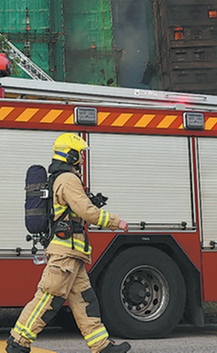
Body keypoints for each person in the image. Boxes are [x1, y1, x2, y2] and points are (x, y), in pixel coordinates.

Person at [7, 133, 132, 353]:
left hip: (72, 254)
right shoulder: (68, 179)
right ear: (70, 155)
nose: (81, 158)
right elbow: (87, 212)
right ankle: (18, 342)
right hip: (65, 253)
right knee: (48, 298)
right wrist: (116, 221)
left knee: (85, 302)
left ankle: (101, 346)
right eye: (79, 154)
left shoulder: (61, 179)